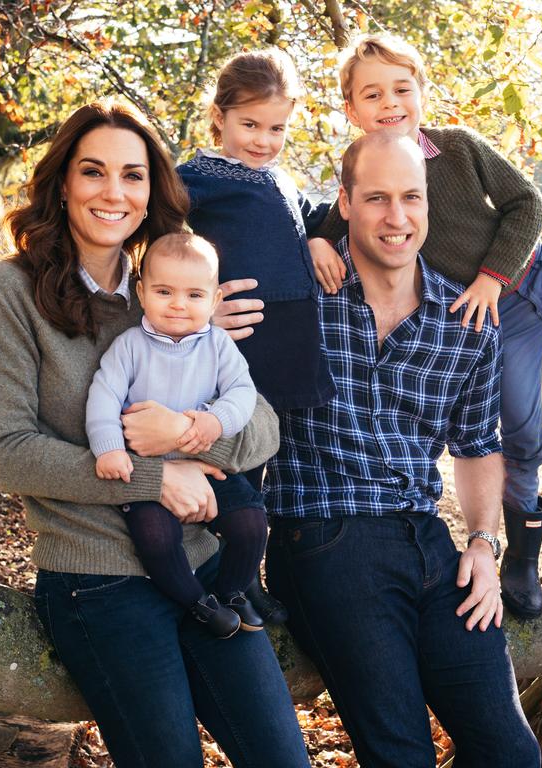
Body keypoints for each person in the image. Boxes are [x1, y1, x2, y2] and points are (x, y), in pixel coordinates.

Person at [0, 100, 310, 768]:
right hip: (97, 580)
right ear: (63, 182)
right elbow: (8, 454)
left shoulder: (172, 290)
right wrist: (157, 478)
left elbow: (262, 425)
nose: (113, 192)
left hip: (206, 566)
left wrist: (188, 433)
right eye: (93, 172)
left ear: (154, 191)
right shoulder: (7, 291)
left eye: (133, 175)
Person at [309, 34, 542, 619]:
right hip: (496, 321)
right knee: (521, 436)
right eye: (372, 94)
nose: (390, 103)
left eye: (403, 88)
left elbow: (526, 204)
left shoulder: (457, 147)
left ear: (423, 92)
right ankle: (523, 563)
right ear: (351, 110)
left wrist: (490, 275)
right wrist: (313, 241)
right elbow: (336, 219)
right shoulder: (366, 174)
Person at [263, 131, 540, 767]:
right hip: (325, 537)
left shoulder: (464, 320)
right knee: (401, 756)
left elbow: (475, 446)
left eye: (411, 198)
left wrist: (482, 543)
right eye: (378, 198)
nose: (397, 217)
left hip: (429, 543)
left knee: (510, 755)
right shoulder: (299, 296)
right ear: (345, 202)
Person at [178, 48, 336, 624]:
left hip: (289, 341)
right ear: (219, 116)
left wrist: (320, 236)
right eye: (250, 125)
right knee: (235, 463)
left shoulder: (278, 176)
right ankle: (229, 578)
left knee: (263, 463)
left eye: (277, 128)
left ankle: (252, 576)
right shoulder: (197, 178)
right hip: (243, 341)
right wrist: (197, 301)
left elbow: (308, 213)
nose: (264, 140)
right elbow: (157, 237)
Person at [85, 232, 267, 638]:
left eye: (194, 295)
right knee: (156, 537)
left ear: (215, 300)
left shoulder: (219, 345)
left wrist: (214, 422)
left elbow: (242, 393)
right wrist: (109, 449)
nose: (179, 305)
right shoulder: (129, 346)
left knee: (251, 521)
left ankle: (232, 591)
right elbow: (103, 397)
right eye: (164, 291)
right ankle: (196, 603)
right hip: (147, 472)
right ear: (142, 292)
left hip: (203, 465)